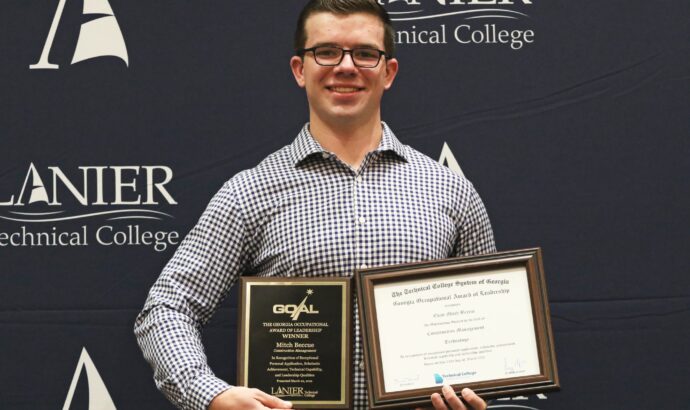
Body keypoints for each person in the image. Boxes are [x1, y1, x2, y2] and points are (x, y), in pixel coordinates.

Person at [134, 1, 496, 409]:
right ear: (299, 69)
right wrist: (212, 395)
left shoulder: (450, 190)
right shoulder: (251, 191)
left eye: (364, 53)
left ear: (388, 72)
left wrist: (473, 392)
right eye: (326, 52)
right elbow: (166, 308)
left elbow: (483, 330)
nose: (345, 67)